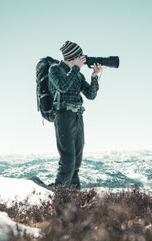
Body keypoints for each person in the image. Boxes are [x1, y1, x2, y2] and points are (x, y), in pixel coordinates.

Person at [48, 41, 101, 189]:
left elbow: (90, 95)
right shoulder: (55, 70)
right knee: (68, 160)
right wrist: (76, 68)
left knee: (77, 161)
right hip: (64, 116)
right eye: (79, 56)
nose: (82, 59)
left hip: (78, 117)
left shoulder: (77, 75)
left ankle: (74, 199)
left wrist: (95, 76)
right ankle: (60, 198)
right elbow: (63, 86)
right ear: (72, 56)